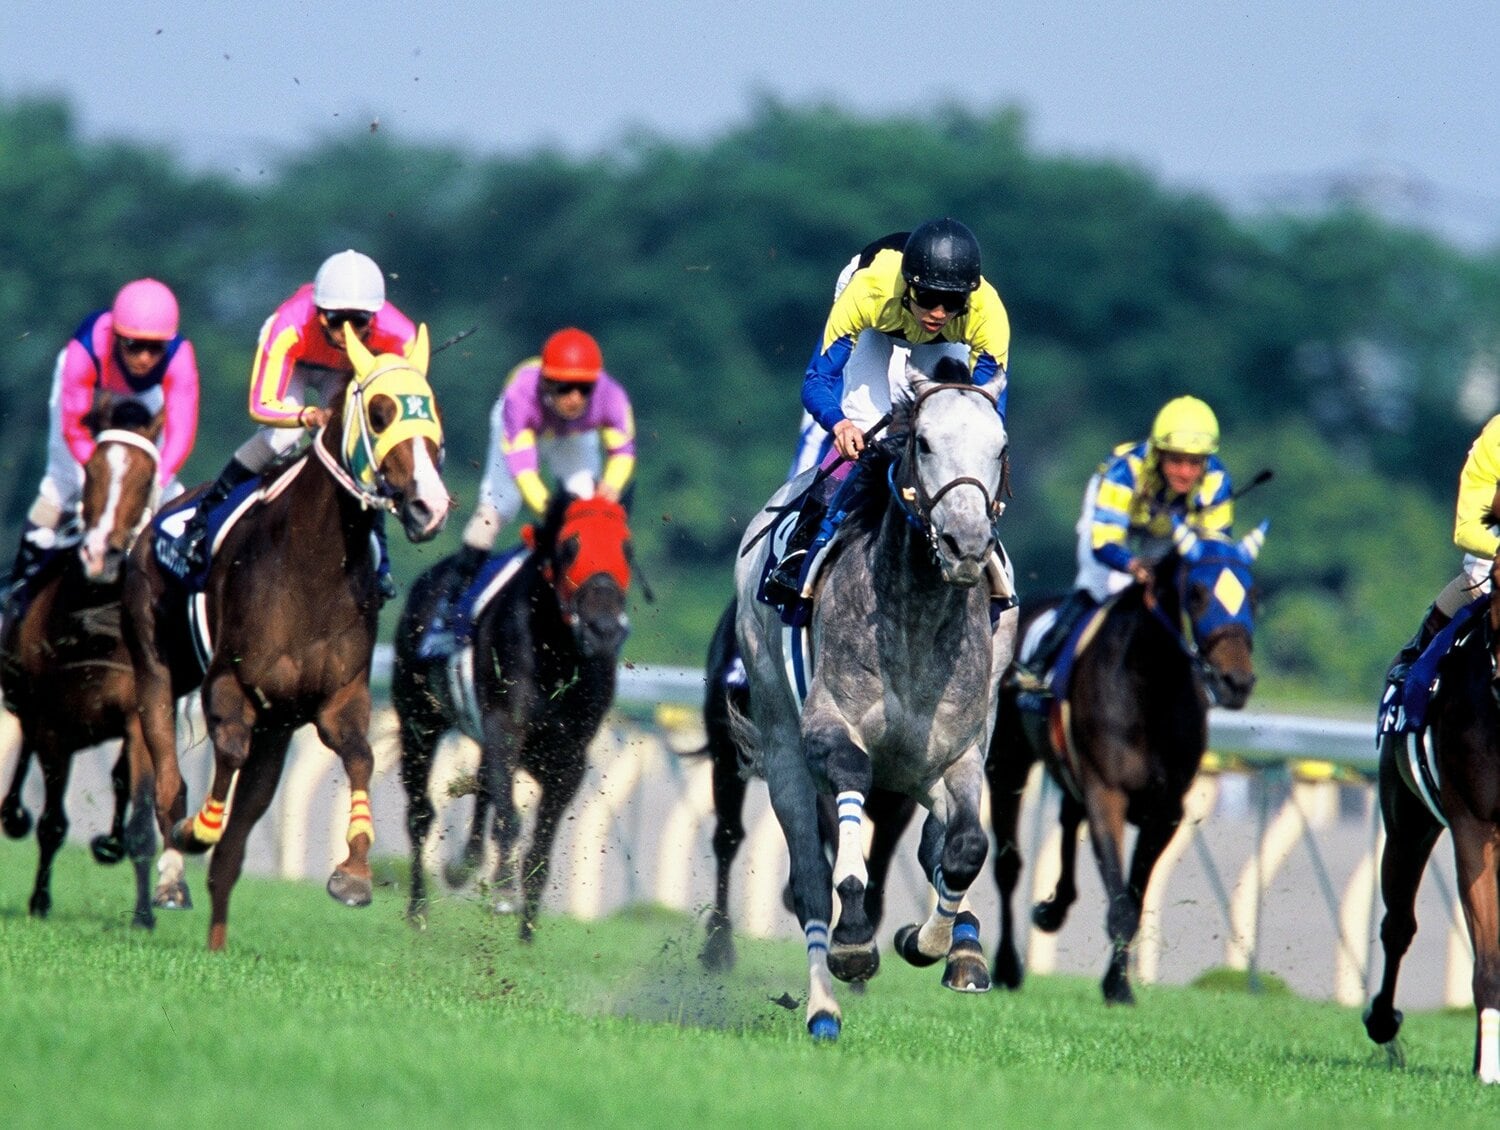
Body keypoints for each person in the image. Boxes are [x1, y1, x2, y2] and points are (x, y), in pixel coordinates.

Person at [763, 219, 1011, 604]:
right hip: (876, 324)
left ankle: (986, 557)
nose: (939, 313)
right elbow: (816, 380)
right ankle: (801, 547)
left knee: (959, 429)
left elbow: (987, 414)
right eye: (928, 297)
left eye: (952, 302)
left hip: (940, 340)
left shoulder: (986, 312)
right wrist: (840, 423)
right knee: (866, 425)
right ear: (910, 286)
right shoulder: (868, 292)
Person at [167, 249, 416, 591]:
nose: (346, 333)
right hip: (295, 363)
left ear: (374, 318)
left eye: (357, 321)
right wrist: (306, 415)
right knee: (283, 438)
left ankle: (380, 561)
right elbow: (261, 404)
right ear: (318, 313)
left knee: (355, 443)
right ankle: (203, 518)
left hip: (346, 371)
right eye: (335, 320)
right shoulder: (290, 326)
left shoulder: (401, 335)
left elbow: (406, 399)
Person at [425, 327, 636, 645]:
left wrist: (610, 487)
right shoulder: (520, 396)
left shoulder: (611, 396)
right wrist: (553, 512)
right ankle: (448, 608)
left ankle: (594, 611)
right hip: (520, 430)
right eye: (565, 388)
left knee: (591, 509)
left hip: (572, 437)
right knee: (496, 509)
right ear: (547, 383)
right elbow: (523, 472)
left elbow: (623, 453)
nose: (575, 398)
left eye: (584, 388)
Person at [1014, 395, 1234, 689]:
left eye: (1195, 463)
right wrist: (1132, 564)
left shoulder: (1216, 481)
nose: (1185, 472)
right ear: (1158, 454)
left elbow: (1212, 555)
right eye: (1176, 460)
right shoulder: (1124, 472)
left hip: (1164, 528)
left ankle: (1205, 669)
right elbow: (1104, 543)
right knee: (1101, 586)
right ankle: (1040, 664)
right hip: (1116, 524)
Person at [5, 278, 199, 608]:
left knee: (168, 494)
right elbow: (75, 429)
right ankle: (18, 595)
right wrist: (94, 476)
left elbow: (180, 434)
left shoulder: (180, 357)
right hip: (91, 390)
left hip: (147, 399)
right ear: (116, 337)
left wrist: (157, 481)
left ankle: (185, 594)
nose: (144, 358)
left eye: (155, 348)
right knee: (62, 485)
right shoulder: (86, 350)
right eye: (134, 345)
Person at [1386, 413, 1500, 688]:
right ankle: (1413, 665)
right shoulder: (1496, 438)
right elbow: (1468, 528)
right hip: (1492, 565)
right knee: (1476, 584)